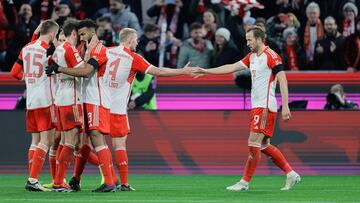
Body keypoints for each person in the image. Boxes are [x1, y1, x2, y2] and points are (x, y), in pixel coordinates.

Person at [191, 26, 301, 191]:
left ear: (259, 39)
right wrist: (206, 71)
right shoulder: (252, 57)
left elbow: (283, 80)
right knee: (263, 145)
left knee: (252, 144)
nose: (247, 43)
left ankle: (244, 183)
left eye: (250, 40)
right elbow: (231, 67)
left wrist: (285, 106)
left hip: (264, 106)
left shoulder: (271, 56)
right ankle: (291, 174)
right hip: (257, 106)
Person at [47, 19, 117, 192]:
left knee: (94, 138)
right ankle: (72, 179)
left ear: (93, 32)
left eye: (84, 34)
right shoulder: (80, 49)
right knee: (80, 142)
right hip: (81, 99)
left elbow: (86, 72)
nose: (80, 37)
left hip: (96, 99)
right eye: (78, 35)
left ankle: (109, 180)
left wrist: (59, 69)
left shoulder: (99, 49)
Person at [10, 19, 59, 192]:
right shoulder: (50, 50)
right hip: (46, 99)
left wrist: (29, 79)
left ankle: (32, 177)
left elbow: (14, 73)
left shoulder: (26, 48)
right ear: (52, 34)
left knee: (35, 141)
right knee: (47, 141)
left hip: (31, 100)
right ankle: (33, 179)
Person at [49, 18, 94, 192]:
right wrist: (93, 63)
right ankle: (59, 181)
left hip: (60, 99)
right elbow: (83, 71)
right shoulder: (69, 48)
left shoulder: (57, 50)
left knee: (64, 142)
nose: (80, 37)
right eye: (79, 34)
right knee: (71, 141)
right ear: (73, 33)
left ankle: (58, 180)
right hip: (71, 98)